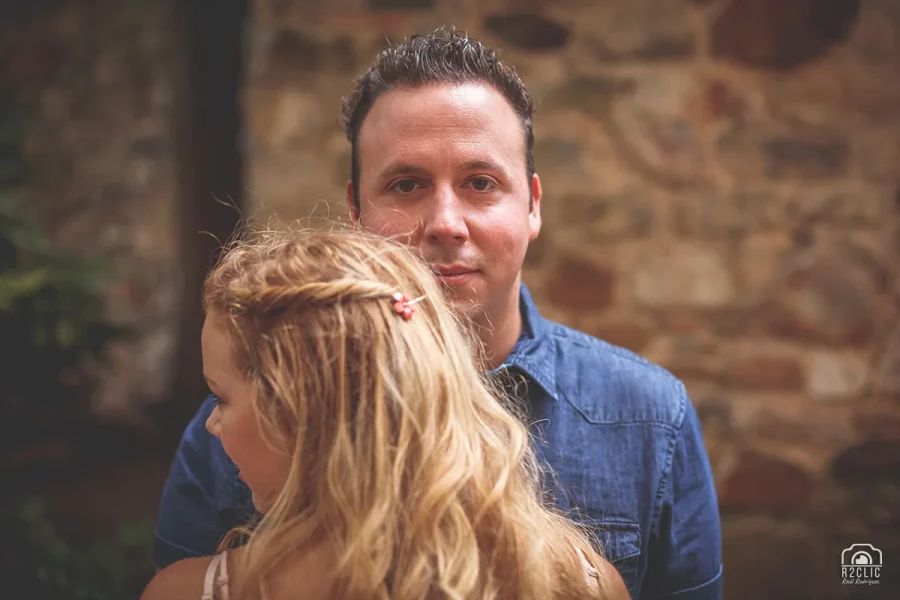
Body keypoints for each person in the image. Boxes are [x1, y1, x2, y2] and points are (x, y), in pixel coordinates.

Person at [154, 29, 723, 600]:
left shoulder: (649, 418)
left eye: (481, 183)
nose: (445, 222)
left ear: (532, 205)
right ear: (355, 210)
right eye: (406, 185)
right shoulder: (233, 427)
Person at [141, 229, 630, 599]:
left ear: (299, 410)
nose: (212, 423)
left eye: (221, 397)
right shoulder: (582, 580)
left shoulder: (190, 592)